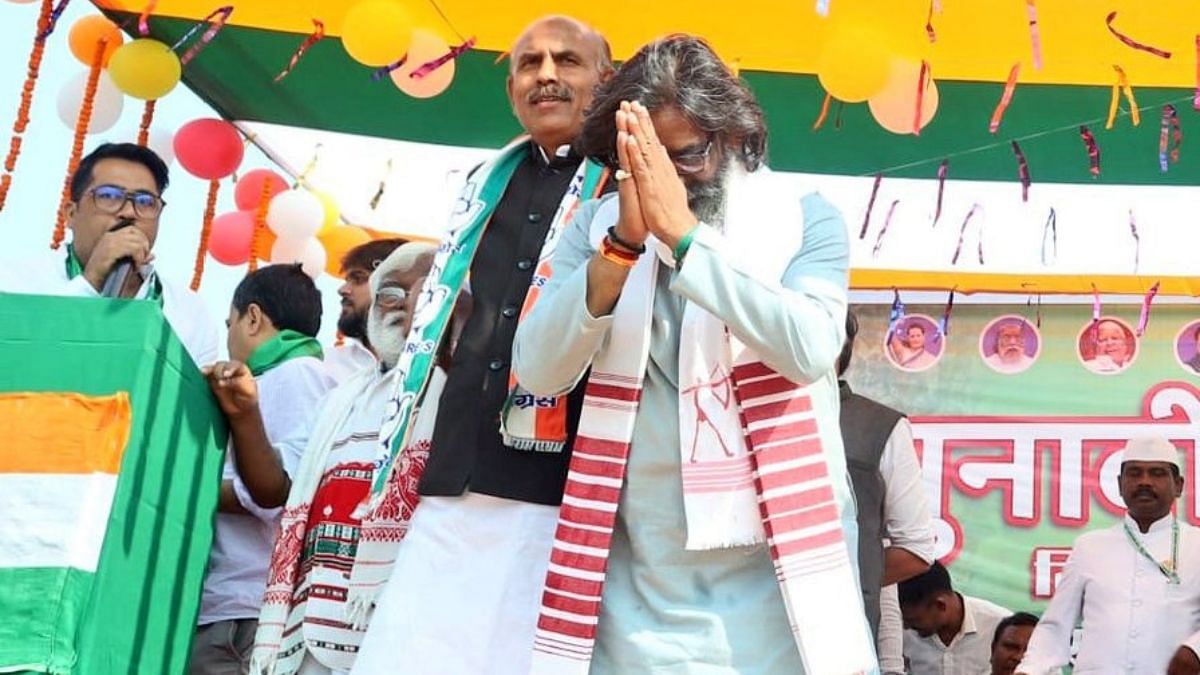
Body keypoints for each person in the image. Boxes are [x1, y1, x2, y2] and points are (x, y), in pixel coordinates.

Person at [509, 34, 875, 673]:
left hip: (779, 571)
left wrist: (684, 238)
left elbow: (810, 347)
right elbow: (538, 369)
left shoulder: (805, 220)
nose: (666, 182)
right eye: (644, 165)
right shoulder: (596, 231)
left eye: (686, 156)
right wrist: (622, 247)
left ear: (733, 137)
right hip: (641, 578)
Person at [351, 16, 614, 675]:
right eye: (529, 63)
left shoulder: (630, 189)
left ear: (605, 82)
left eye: (567, 61)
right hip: (454, 474)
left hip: (562, 489)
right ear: (511, 87)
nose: (546, 74)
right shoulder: (481, 186)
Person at [201, 244, 433, 675]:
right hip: (303, 618)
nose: (402, 306)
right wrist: (246, 413)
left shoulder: (445, 389)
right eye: (390, 294)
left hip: (389, 620)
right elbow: (277, 489)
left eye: (420, 293)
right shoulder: (343, 395)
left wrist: (174, 490)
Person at [193, 264, 335, 675]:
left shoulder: (296, 375)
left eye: (230, 323)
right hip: (236, 608)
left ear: (252, 317)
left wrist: (180, 489)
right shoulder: (282, 376)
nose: (228, 337)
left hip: (247, 612)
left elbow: (278, 492)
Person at [0, 142, 217, 365]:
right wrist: (91, 281)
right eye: (109, 196)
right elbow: (18, 364)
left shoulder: (190, 313)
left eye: (145, 202)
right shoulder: (14, 282)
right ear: (71, 214)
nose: (128, 212)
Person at [1016, 436, 1200, 675]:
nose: (1145, 482)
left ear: (1179, 485)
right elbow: (1055, 625)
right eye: (1134, 473)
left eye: (1157, 473)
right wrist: (1029, 670)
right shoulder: (1089, 547)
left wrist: (1194, 650)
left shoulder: (1196, 544)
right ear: (1120, 484)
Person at [838, 309, 936, 670]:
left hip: (837, 637)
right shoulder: (739, 416)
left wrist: (832, 579)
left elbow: (916, 548)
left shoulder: (880, 426)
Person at [899, 561, 1011, 675]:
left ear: (940, 605)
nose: (906, 626)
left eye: (914, 620)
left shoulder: (1004, 628)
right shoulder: (901, 633)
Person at [324, 238, 408, 383]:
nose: (342, 290)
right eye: (346, 280)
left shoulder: (431, 365)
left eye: (358, 279)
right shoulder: (325, 366)